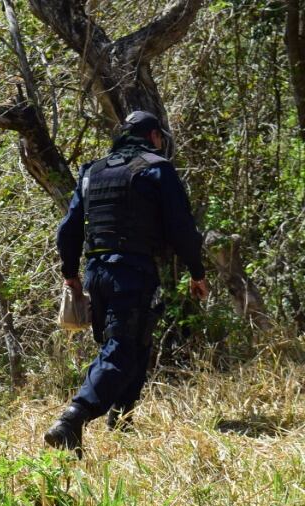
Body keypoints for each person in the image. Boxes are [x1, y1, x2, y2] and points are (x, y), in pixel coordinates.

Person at [45, 110, 209, 455]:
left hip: (97, 272)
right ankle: (73, 418)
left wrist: (71, 274)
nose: (162, 144)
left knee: (134, 344)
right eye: (161, 138)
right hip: (131, 273)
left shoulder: (92, 171)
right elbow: (182, 229)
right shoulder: (156, 168)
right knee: (121, 348)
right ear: (153, 136)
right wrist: (197, 271)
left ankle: (120, 421)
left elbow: (68, 230)